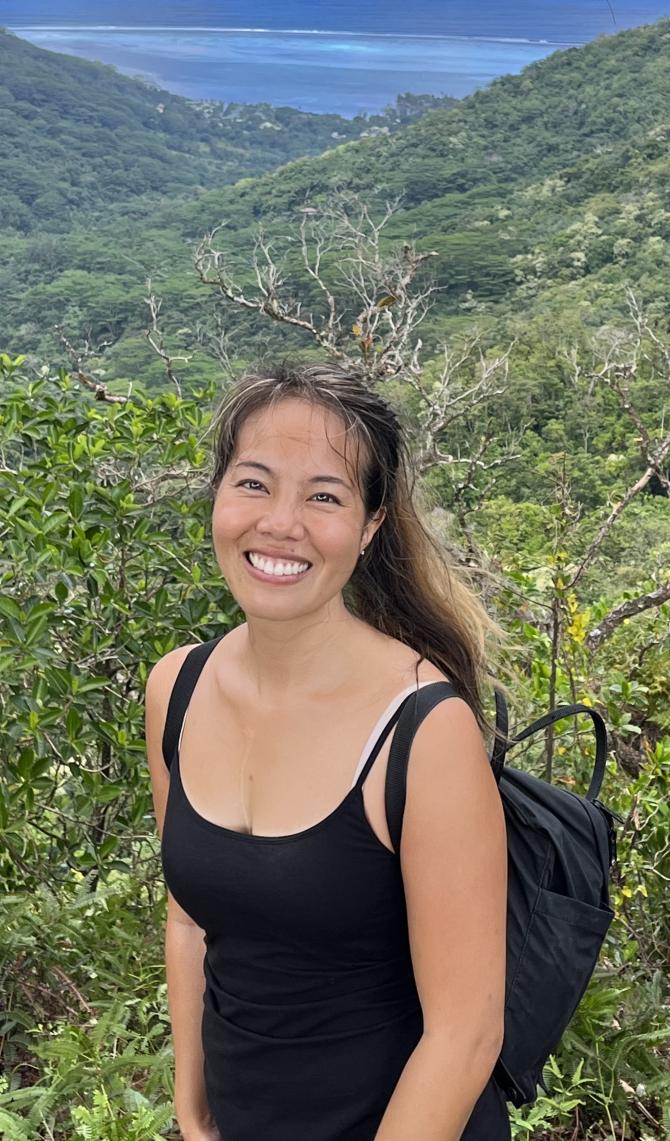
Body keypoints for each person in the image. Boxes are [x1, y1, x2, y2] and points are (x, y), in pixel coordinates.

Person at [145, 360, 510, 1141]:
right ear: (217, 493)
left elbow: (466, 1032)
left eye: (324, 495)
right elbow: (189, 921)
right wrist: (193, 1108)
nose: (281, 522)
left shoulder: (422, 729)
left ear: (372, 523)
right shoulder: (176, 688)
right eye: (253, 483)